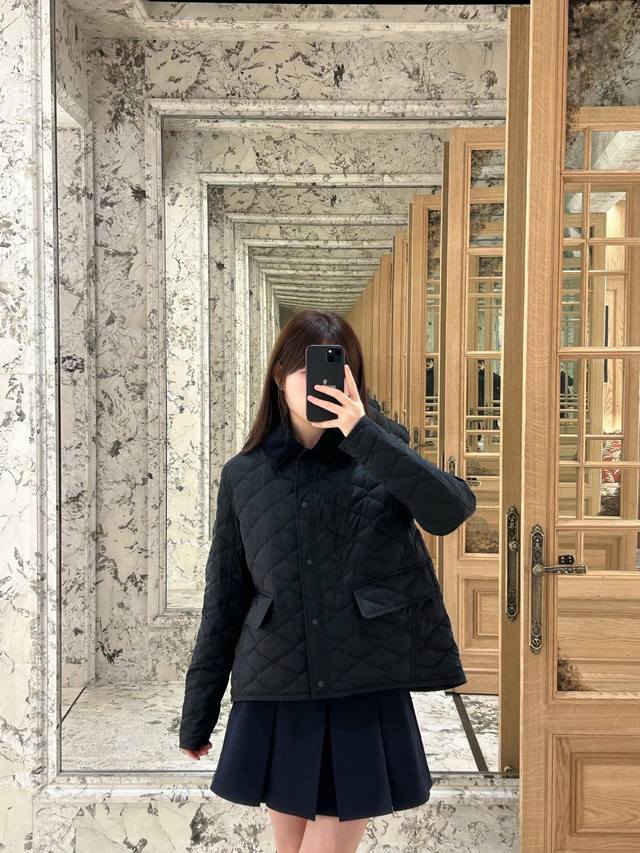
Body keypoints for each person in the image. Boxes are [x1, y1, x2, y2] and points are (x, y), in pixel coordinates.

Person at [178, 309, 476, 853]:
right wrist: (198, 712)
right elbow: (225, 597)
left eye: (339, 372)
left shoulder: (383, 455)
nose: (321, 385)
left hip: (362, 687)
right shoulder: (244, 475)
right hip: (278, 687)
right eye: (306, 371)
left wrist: (364, 434)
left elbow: (451, 511)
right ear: (278, 376)